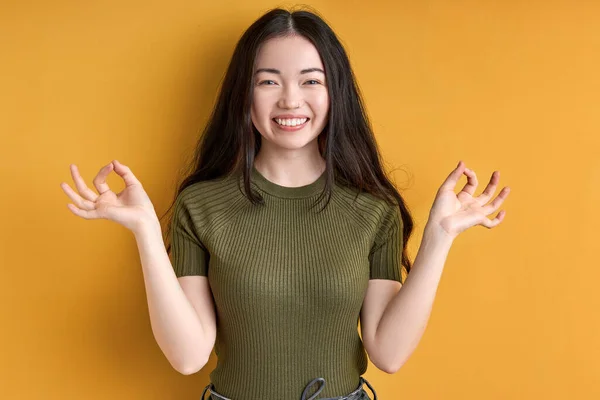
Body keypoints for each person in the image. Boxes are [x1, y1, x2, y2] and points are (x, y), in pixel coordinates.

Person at [59, 6, 510, 400]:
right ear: (245, 95)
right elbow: (188, 356)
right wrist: (144, 231)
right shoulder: (201, 206)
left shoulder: (374, 211)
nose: (290, 99)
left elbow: (388, 353)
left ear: (334, 94)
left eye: (310, 81)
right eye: (268, 81)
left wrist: (439, 237)